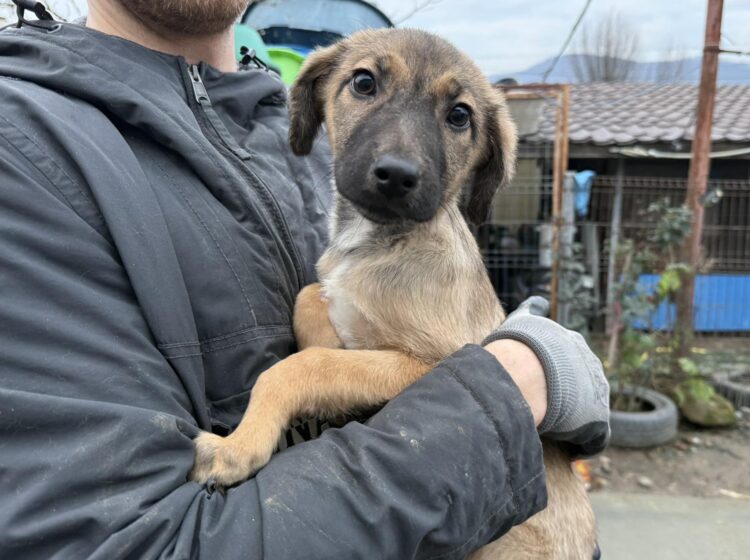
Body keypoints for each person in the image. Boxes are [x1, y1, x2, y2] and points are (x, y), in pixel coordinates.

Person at [0, 1, 610, 558]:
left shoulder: (297, 140)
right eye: (367, 85)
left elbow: (424, 362)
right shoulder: (26, 151)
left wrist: (544, 363)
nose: (399, 155)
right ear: (320, 97)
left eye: (456, 117)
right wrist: (515, 383)